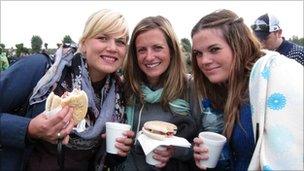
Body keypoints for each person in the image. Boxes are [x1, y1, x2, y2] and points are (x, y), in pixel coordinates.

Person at [0, 9, 134, 171]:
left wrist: (118, 153)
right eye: (102, 38)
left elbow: (103, 160)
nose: (113, 48)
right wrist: (29, 129)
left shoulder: (119, 94)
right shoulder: (42, 70)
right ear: (84, 44)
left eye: (120, 42)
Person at [191, 9, 303, 170]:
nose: (204, 60)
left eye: (214, 49)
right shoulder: (220, 89)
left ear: (239, 45)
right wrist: (210, 155)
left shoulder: (271, 80)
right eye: (198, 53)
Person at [115, 16, 201, 170]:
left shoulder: (191, 87)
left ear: (172, 50)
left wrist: (175, 151)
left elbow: (205, 143)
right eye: (142, 50)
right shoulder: (124, 86)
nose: (149, 57)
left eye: (157, 47)